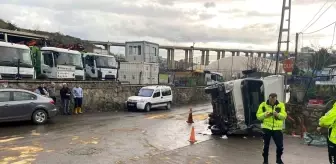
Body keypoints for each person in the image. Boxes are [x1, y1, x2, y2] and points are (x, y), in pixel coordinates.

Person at [256, 93, 287, 164]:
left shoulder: (281, 105)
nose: (272, 102)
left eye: (273, 100)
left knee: (280, 146)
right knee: (265, 146)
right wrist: (264, 115)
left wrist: (277, 114)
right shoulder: (263, 105)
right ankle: (265, 161)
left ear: (276, 99)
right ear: (268, 98)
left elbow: (284, 116)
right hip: (266, 128)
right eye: (270, 100)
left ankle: (278, 159)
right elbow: (258, 116)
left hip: (277, 129)